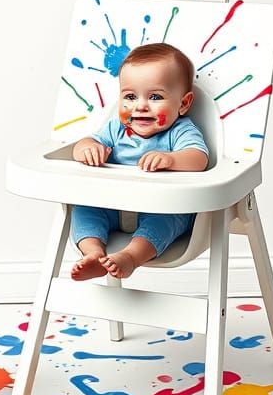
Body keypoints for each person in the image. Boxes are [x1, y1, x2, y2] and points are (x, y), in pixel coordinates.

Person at [70, 43, 210, 281]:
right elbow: (85, 143)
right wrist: (87, 149)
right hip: (113, 205)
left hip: (160, 207)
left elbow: (199, 159)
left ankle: (130, 257)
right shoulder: (116, 129)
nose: (141, 105)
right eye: (130, 96)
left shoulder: (179, 131)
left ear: (184, 103)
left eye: (155, 96)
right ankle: (93, 253)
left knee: (166, 220)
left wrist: (171, 159)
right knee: (83, 209)